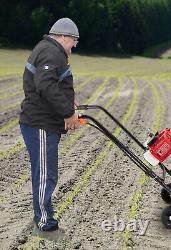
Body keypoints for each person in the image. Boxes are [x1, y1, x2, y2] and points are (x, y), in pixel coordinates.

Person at [19, 17, 80, 232]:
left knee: (46, 173)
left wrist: (68, 100)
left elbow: (53, 84)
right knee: (46, 174)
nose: (74, 46)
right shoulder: (51, 52)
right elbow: (45, 86)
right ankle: (45, 224)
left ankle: (44, 219)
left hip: (42, 122)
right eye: (74, 41)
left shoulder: (49, 50)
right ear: (63, 36)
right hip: (41, 124)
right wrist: (68, 112)